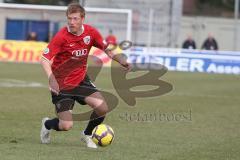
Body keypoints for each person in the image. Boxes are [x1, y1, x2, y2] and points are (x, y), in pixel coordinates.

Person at [40, 3, 130, 148]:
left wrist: (121, 60)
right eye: (69, 19)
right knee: (66, 125)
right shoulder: (61, 36)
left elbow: (107, 49)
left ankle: (87, 134)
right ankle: (47, 124)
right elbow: (44, 59)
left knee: (102, 108)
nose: (71, 22)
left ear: (83, 18)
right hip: (62, 85)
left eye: (75, 19)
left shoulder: (91, 33)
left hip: (81, 80)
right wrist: (51, 79)